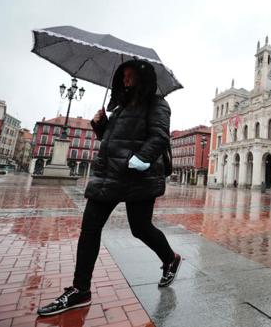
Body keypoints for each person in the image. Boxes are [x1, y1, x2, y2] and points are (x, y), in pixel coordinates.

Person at [37, 60, 181, 316]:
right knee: (90, 228)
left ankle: (170, 258)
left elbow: (159, 136)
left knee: (141, 228)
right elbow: (111, 139)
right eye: (122, 76)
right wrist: (100, 124)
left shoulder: (158, 104)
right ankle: (81, 289)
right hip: (109, 175)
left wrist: (140, 159)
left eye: (129, 76)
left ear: (142, 77)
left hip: (139, 176)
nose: (124, 81)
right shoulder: (121, 105)